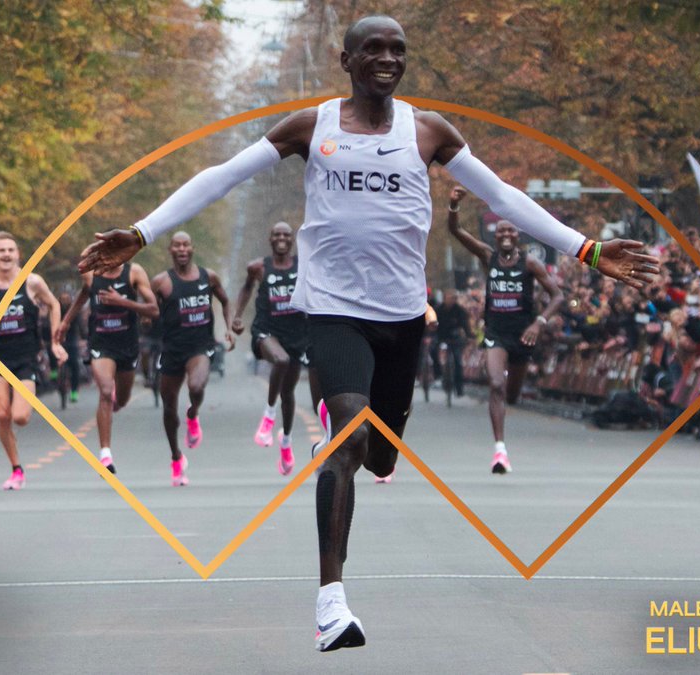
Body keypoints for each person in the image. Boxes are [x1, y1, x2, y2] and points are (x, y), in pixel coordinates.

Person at [78, 15, 658, 652]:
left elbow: (502, 196)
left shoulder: (428, 130)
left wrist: (587, 249)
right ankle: (331, 603)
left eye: (397, 50)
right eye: (373, 49)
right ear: (346, 60)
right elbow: (224, 175)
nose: (387, 58)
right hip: (333, 311)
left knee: (380, 456)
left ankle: (359, 460)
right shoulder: (312, 126)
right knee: (348, 438)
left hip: (402, 318)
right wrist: (142, 232)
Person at [445, 186, 564, 473]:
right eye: (501, 231)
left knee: (511, 395)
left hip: (523, 334)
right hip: (495, 332)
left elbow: (558, 296)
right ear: (495, 236)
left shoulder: (530, 263)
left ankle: (507, 407)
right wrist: (453, 205)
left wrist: (539, 322)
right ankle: (500, 451)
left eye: (511, 231)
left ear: (518, 235)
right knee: (496, 385)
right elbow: (456, 230)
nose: (506, 235)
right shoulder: (488, 257)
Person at [0, 232, 66, 490]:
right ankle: (16, 468)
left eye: (11, 250)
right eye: (1, 251)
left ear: (18, 254)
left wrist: (55, 341)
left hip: (26, 358)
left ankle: (15, 443)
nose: (6, 255)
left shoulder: (32, 282)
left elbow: (54, 305)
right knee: (2, 415)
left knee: (20, 417)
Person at [231, 222, 319, 477]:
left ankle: (286, 443)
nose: (281, 238)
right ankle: (268, 417)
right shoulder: (258, 267)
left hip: (297, 334)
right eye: (277, 234)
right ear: (270, 239)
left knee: (288, 393)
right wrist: (237, 317)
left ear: (292, 240)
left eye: (286, 235)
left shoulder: (304, 266)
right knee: (280, 360)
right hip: (266, 331)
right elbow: (247, 288)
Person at [57, 262, 158, 474]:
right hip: (100, 342)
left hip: (127, 344)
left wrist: (122, 301)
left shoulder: (134, 272)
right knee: (104, 391)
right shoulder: (91, 275)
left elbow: (153, 309)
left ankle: (116, 400)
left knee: (122, 399)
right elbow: (84, 294)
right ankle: (105, 454)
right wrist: (66, 322)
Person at [151, 232, 234, 487]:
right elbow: (149, 310)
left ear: (193, 248)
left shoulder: (209, 277)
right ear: (170, 250)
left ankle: (193, 413)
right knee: (168, 408)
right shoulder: (161, 282)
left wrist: (230, 328)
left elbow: (225, 302)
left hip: (200, 346)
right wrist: (145, 319)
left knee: (196, 387)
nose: (182, 249)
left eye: (186, 244)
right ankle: (176, 458)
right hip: (172, 349)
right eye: (177, 245)